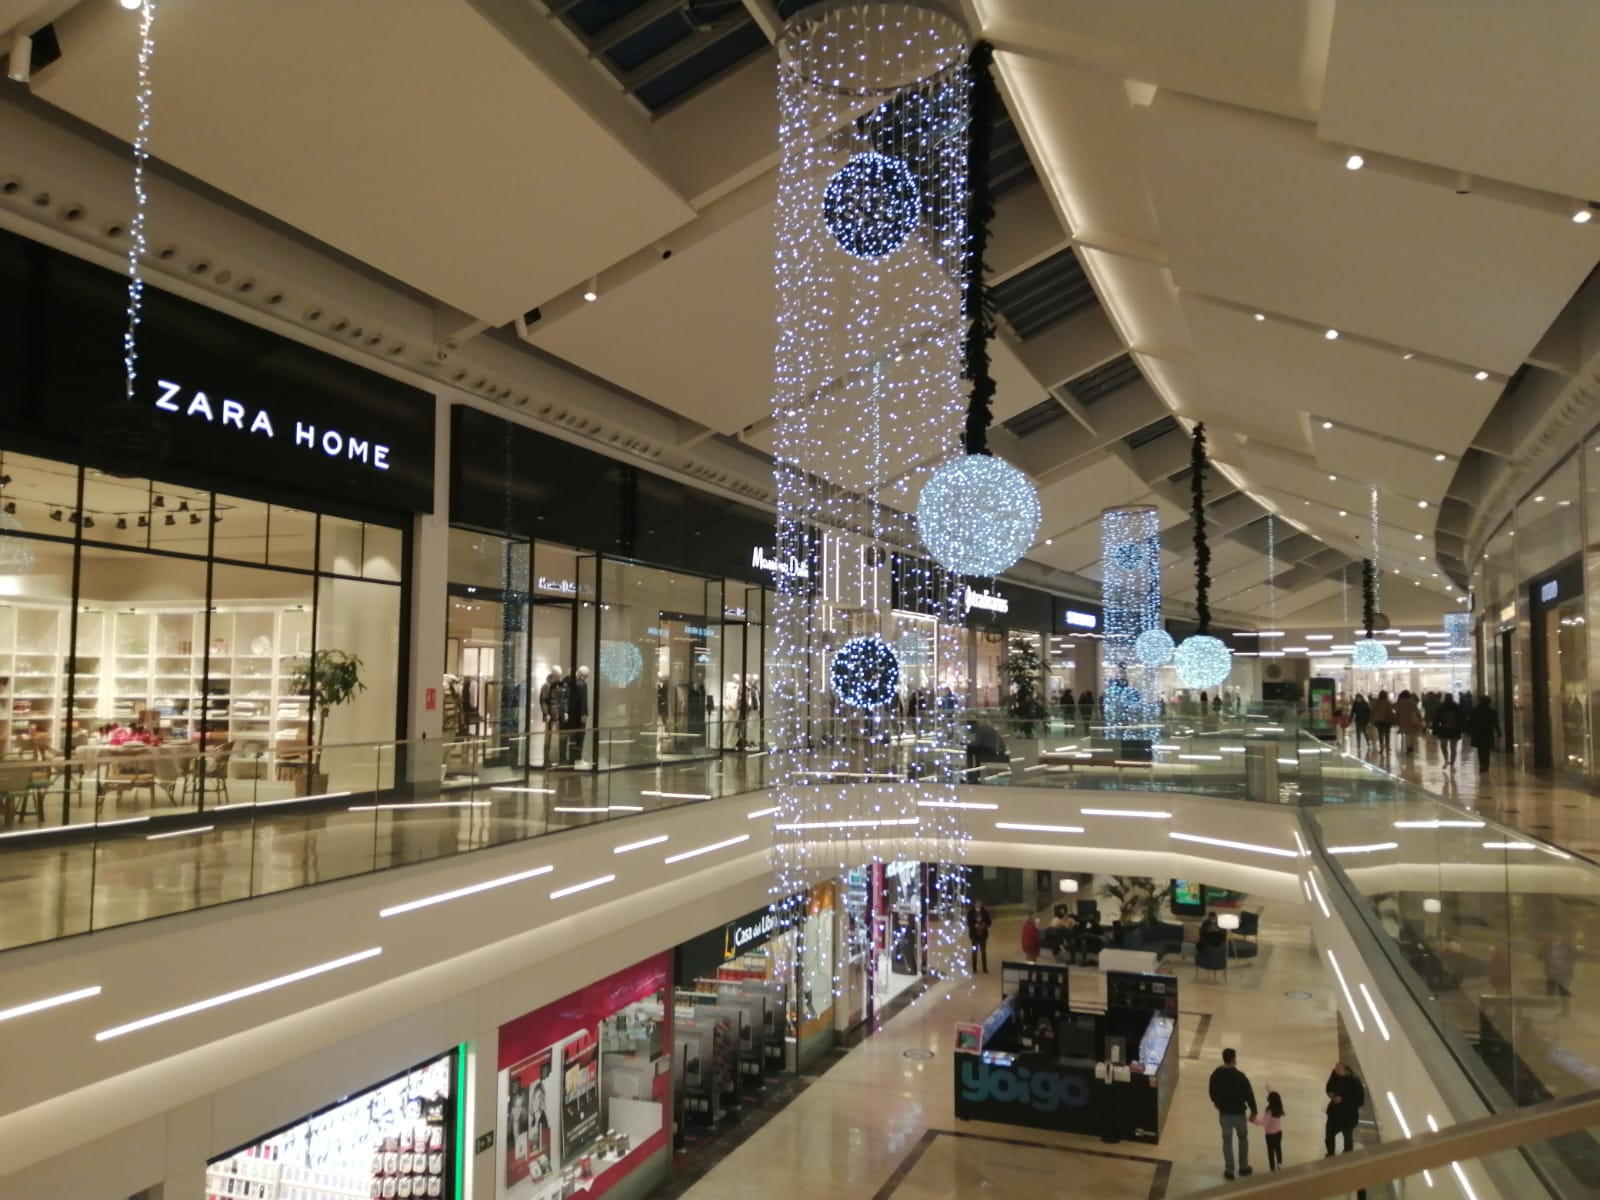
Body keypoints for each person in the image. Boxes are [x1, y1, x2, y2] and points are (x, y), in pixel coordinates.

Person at [1209, 1047, 1258, 1180]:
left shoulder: (1216, 1074)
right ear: (1234, 1059)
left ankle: (1229, 1170)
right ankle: (1243, 1167)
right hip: (1239, 1115)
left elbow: (1212, 1091)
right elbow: (1249, 1095)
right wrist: (1254, 1112)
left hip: (1224, 1114)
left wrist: (1217, 1103)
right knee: (1242, 1138)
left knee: (1227, 1141)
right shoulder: (1240, 1076)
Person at [1325, 1061, 1366, 1155]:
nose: (1336, 1072)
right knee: (1329, 1136)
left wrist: (1342, 1100)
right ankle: (1330, 1154)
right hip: (1334, 1114)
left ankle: (1347, 1158)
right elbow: (1329, 1086)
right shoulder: (1335, 1074)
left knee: (1348, 1139)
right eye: (1335, 1070)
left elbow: (1359, 1102)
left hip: (1348, 1117)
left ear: (1346, 1070)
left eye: (1338, 1070)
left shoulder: (1355, 1083)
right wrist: (1330, 1093)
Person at [1252, 1091, 1286, 1171]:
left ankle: (1272, 1168)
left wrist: (1254, 1121)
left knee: (1270, 1152)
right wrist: (1268, 1089)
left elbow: (1264, 1122)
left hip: (1270, 1135)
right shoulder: (1279, 1109)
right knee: (1278, 1149)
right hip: (1278, 1133)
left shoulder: (1269, 1111)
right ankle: (1280, 1164)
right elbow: (1275, 1096)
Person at [1468, 695, 1499, 772]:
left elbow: (1471, 721)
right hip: (1488, 732)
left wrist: (1469, 731)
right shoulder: (1492, 711)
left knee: (1480, 749)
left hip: (1478, 732)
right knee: (1486, 749)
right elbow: (1495, 723)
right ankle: (1486, 765)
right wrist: (1498, 732)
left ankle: (1482, 764)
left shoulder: (1475, 710)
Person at [1432, 693, 1463, 769]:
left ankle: (1446, 760)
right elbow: (1461, 719)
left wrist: (1435, 730)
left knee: (1443, 745)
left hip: (1444, 729)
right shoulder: (1456, 706)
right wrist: (1461, 729)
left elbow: (1436, 719)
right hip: (1455, 730)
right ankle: (1452, 764)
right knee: (1453, 747)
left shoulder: (1441, 707)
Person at [966, 899, 992, 973]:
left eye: (979, 904)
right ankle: (974, 969)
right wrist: (974, 925)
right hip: (974, 936)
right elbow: (969, 923)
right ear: (974, 904)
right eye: (977, 904)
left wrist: (985, 925)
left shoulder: (985, 912)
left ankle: (984, 968)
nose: (978, 905)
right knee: (974, 952)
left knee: (983, 952)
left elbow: (989, 922)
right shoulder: (970, 913)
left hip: (983, 936)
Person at [1395, 690, 1423, 756]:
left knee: (1407, 735)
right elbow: (1417, 711)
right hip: (1412, 719)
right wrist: (1420, 718)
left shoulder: (1401, 702)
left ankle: (1409, 747)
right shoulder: (1412, 702)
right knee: (1412, 734)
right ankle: (1411, 746)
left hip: (1404, 720)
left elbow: (1397, 711)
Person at [1370, 690, 1394, 754]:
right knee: (1387, 734)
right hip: (1387, 720)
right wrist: (1392, 719)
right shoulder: (1388, 703)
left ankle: (1381, 748)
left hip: (1379, 721)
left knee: (1381, 734)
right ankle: (1387, 747)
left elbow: (1373, 712)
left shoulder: (1377, 703)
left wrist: (1372, 719)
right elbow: (1390, 712)